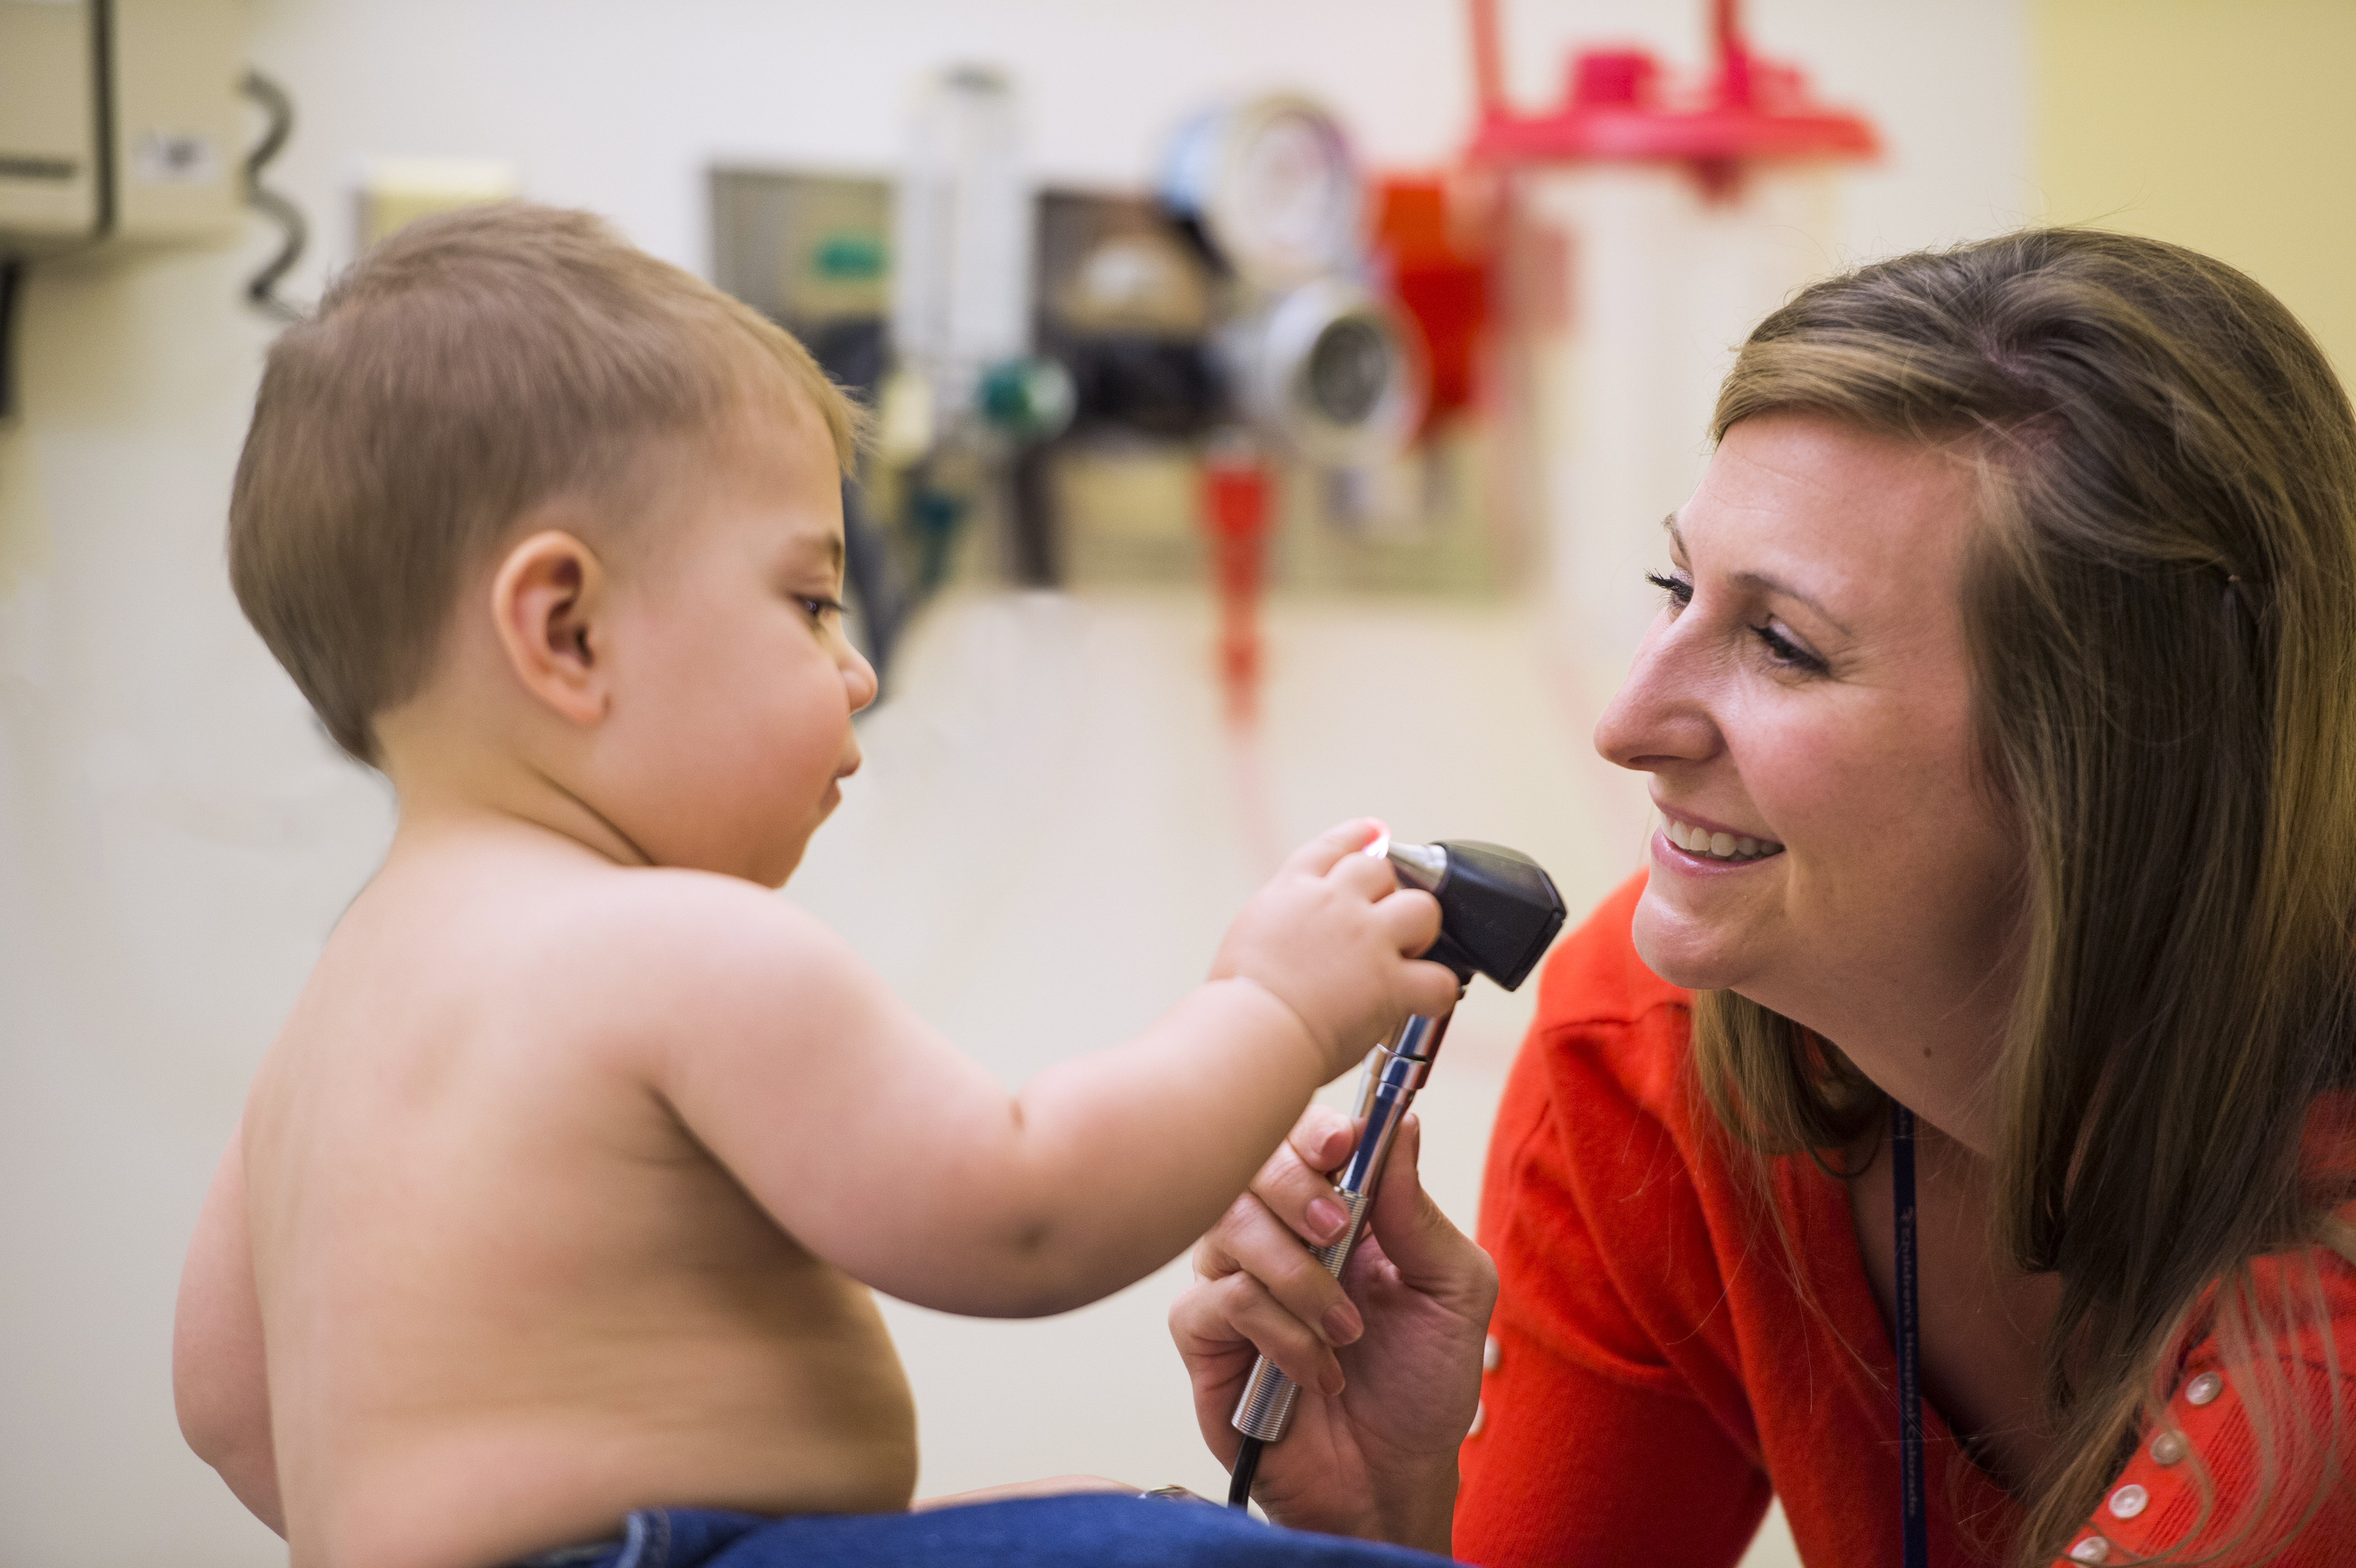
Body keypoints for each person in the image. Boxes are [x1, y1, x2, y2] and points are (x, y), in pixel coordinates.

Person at [171, 203, 1470, 1568]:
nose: (855, 671)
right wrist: (1274, 1007)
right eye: (806, 603)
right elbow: (1020, 1211)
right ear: (566, 631)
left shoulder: (325, 1029)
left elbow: (229, 1407)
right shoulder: (665, 948)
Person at [1174, 227, 2356, 1567]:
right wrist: (1391, 1520)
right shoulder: (1651, 1042)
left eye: (1783, 646)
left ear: (2110, 773)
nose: (1626, 723)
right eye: (1676, 588)